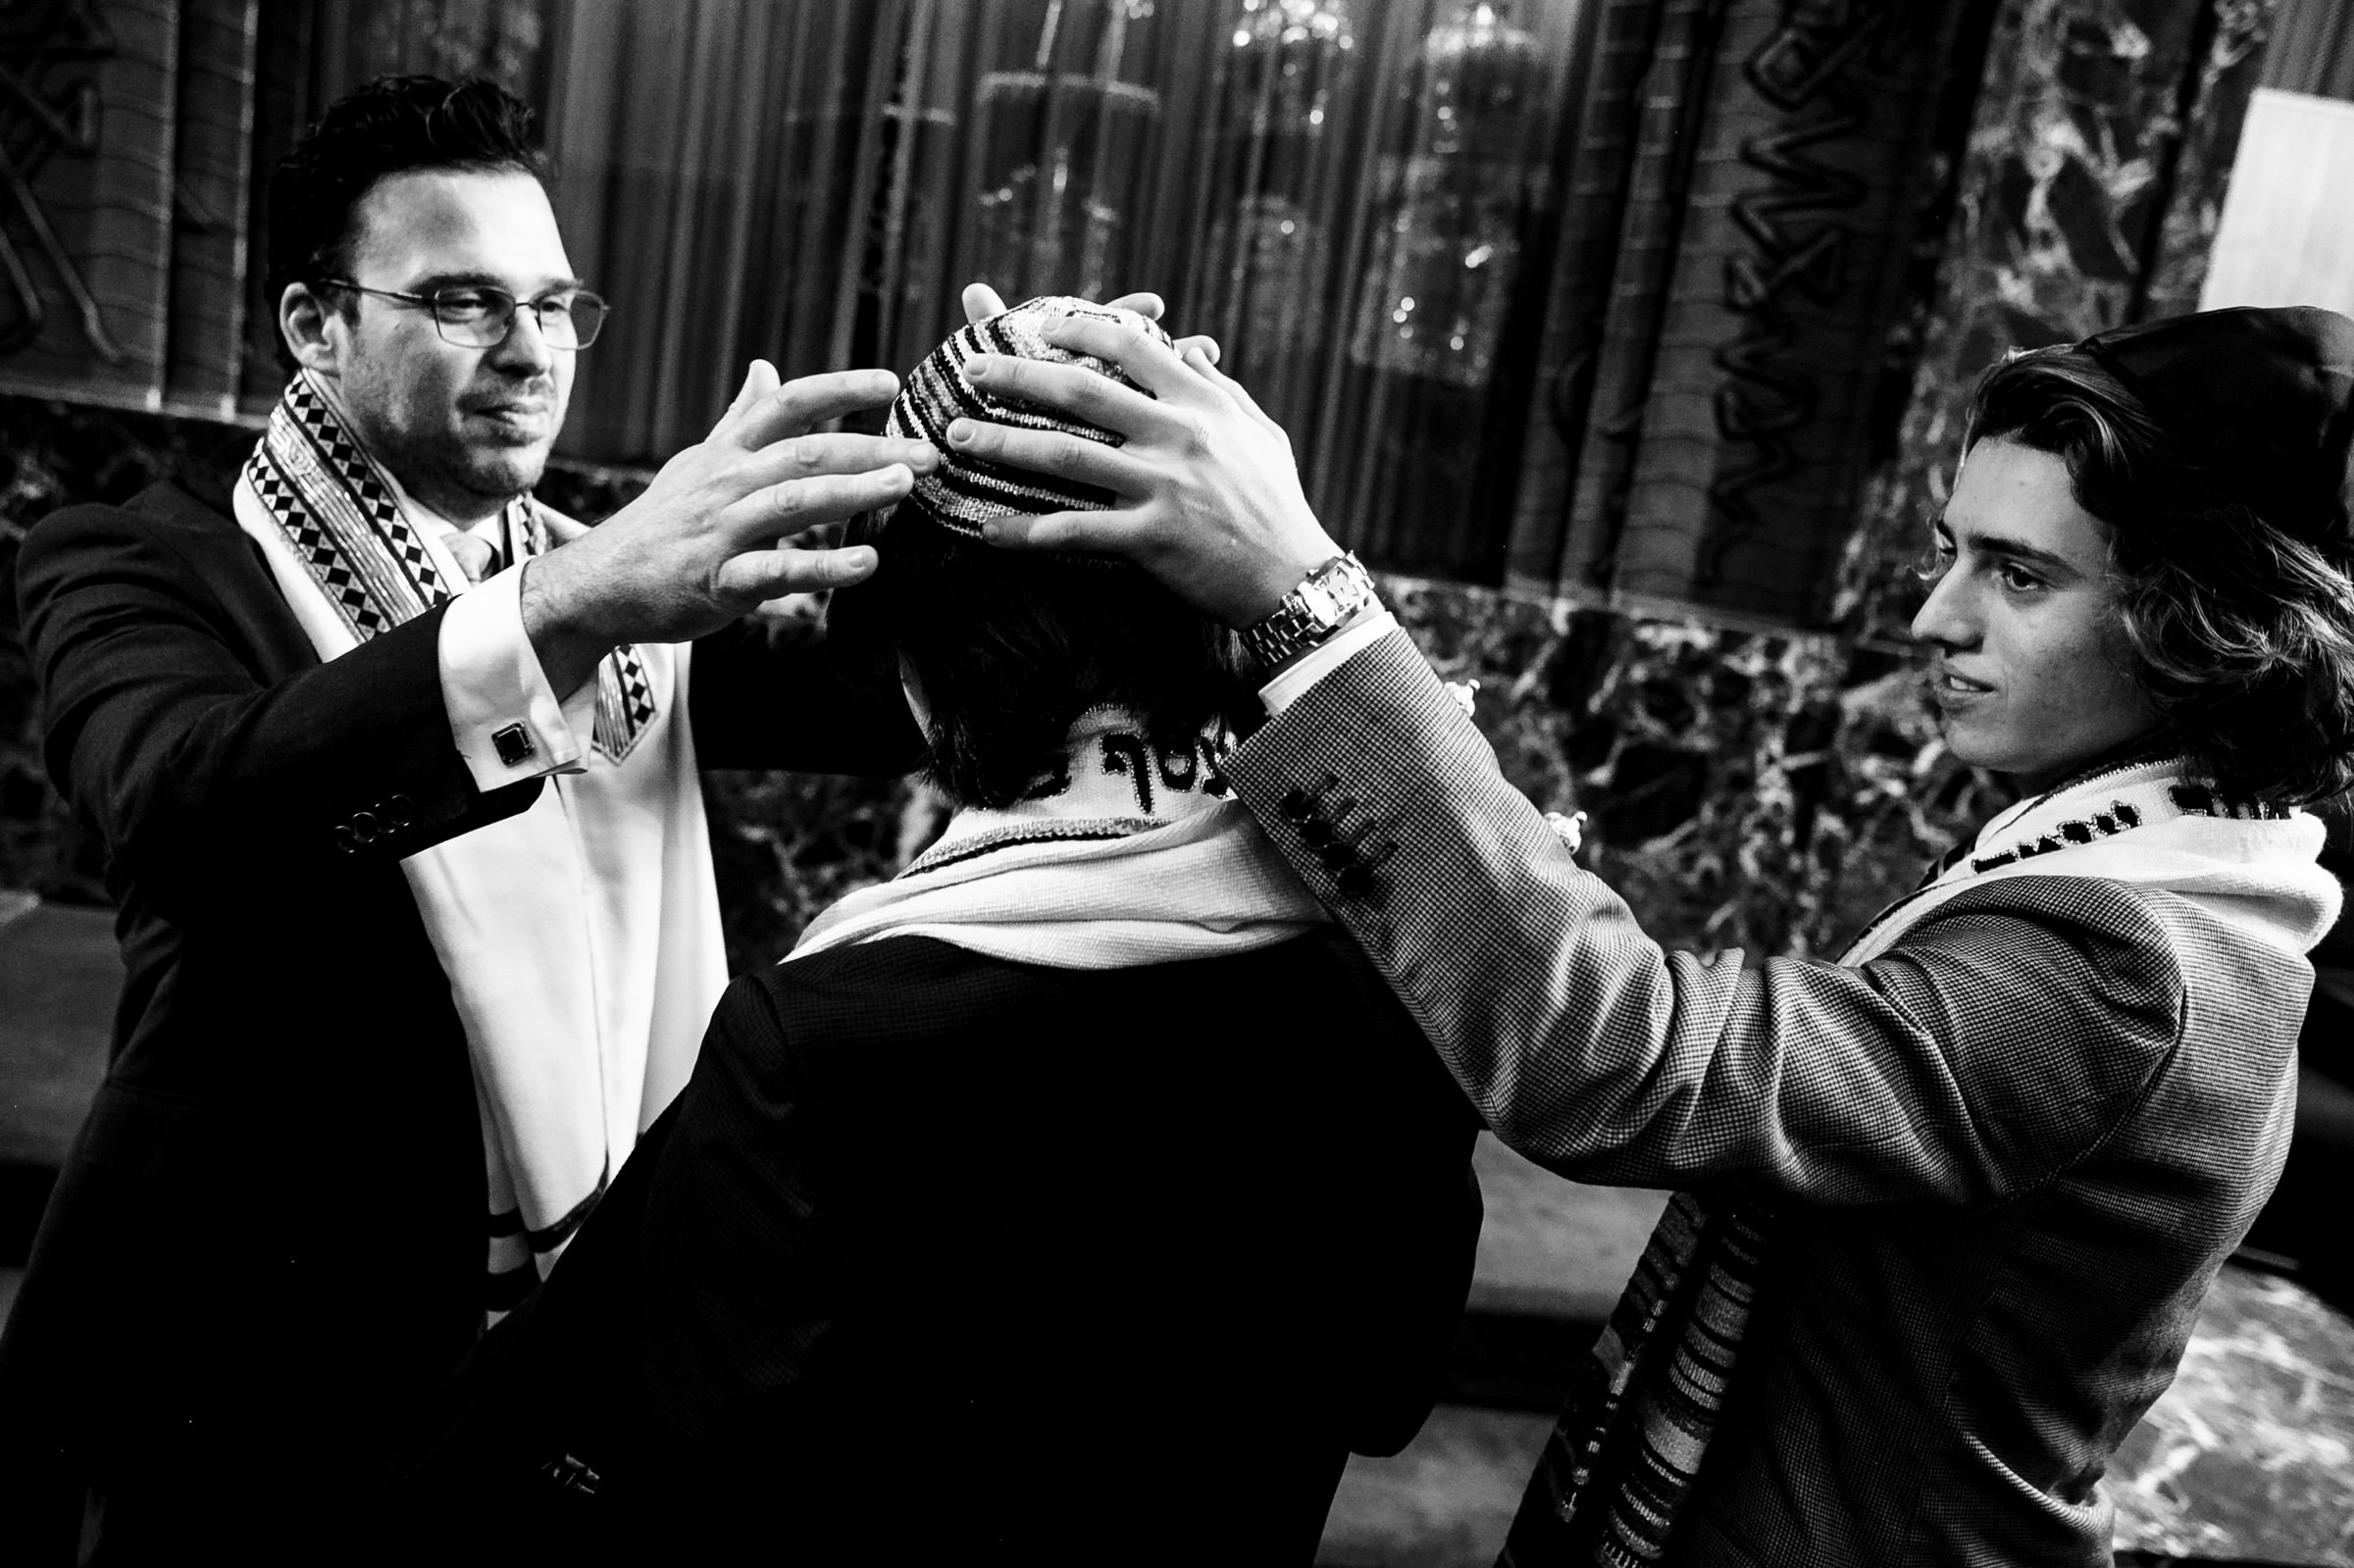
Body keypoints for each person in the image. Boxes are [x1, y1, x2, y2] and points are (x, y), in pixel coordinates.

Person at [951, 298, 2354, 1565]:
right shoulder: (2139, 856)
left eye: (2020, 575)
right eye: (1947, 553)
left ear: (2206, 620)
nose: (1935, 618)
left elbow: (1621, 1055)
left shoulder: (2130, 974)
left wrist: (1301, 601)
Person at [0, 75, 942, 1559]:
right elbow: (188, 809)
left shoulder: (623, 590)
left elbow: (894, 701)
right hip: (247, 1367)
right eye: (463, 302)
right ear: (318, 326)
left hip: (547, 1366)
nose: (532, 352)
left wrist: (977, 459)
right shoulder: (140, 557)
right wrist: (562, 607)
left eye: (558, 303)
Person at [386, 298, 1485, 1565]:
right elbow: (1388, 1390)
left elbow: (693, 1467)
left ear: (917, 670)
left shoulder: (823, 1044)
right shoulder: (1400, 964)